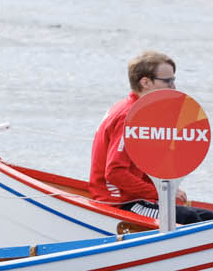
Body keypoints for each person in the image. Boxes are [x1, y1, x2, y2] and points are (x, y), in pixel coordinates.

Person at [89, 51, 213, 224]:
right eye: (168, 81)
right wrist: (161, 192)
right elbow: (115, 173)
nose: (174, 87)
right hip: (121, 203)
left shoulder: (138, 110)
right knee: (190, 218)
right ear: (145, 82)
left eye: (173, 80)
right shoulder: (128, 116)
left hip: (139, 198)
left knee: (208, 217)